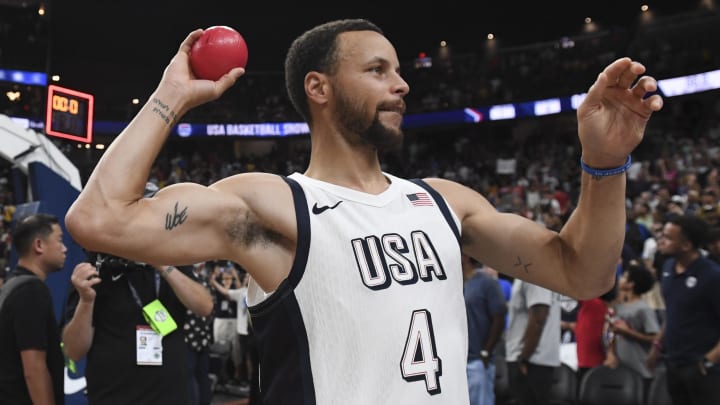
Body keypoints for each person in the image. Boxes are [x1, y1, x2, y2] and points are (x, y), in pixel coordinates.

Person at [64, 18, 663, 404]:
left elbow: (585, 274)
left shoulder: (443, 201)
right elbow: (99, 220)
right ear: (320, 89)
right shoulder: (273, 204)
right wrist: (172, 95)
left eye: (399, 71)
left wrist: (603, 163)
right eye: (378, 70)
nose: (401, 84)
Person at [61, 253, 214, 404]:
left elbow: (204, 306)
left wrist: (163, 265)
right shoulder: (95, 268)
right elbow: (74, 351)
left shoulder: (171, 258)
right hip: (114, 394)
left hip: (171, 393)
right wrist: (86, 301)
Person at [647, 214, 720, 404]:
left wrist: (709, 360)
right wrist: (657, 345)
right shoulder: (668, 267)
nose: (661, 240)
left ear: (686, 245)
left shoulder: (712, 275)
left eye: (669, 237)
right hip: (673, 362)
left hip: (702, 366)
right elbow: (672, 313)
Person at [0, 213, 67, 404]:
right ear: (39, 245)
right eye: (59, 240)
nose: (64, 249)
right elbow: (34, 368)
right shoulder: (30, 291)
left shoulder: (12, 285)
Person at [603, 260, 660, 399]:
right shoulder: (618, 307)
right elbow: (611, 333)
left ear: (631, 284)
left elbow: (655, 337)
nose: (620, 279)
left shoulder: (643, 309)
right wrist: (610, 352)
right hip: (619, 366)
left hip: (640, 369)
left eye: (624, 277)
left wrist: (628, 332)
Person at [504, 277, 562, 405]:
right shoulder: (526, 273)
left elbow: (538, 318)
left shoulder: (535, 274)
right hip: (528, 359)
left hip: (531, 361)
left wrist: (524, 358)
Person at [462, 255, 507, 405]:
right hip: (459, 361)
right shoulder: (457, 283)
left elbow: (499, 317)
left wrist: (486, 352)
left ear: (466, 257)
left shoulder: (487, 282)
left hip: (477, 360)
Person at [182, 263, 214, 405]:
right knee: (201, 376)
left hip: (189, 338)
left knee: (192, 377)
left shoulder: (191, 282)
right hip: (202, 337)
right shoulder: (204, 282)